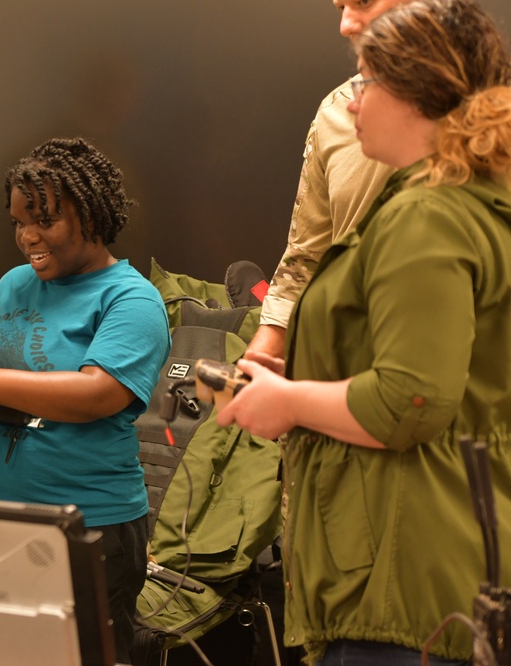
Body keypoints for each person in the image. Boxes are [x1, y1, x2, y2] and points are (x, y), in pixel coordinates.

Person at [217, 0, 511, 663]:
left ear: (417, 92)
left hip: (405, 574)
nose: (351, 104)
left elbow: (410, 399)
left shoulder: (426, 217)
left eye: (368, 82)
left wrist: (287, 402)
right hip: (433, 553)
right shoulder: (463, 199)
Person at [0, 137, 171, 664]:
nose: (28, 237)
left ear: (92, 215)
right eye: (19, 222)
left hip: (88, 528)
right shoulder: (14, 284)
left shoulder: (131, 298)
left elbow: (99, 392)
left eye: (45, 221)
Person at [248, 0, 408, 360]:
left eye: (363, 2)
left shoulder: (494, 113)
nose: (346, 25)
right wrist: (260, 360)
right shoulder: (336, 113)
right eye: (340, 7)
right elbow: (305, 257)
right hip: (351, 367)